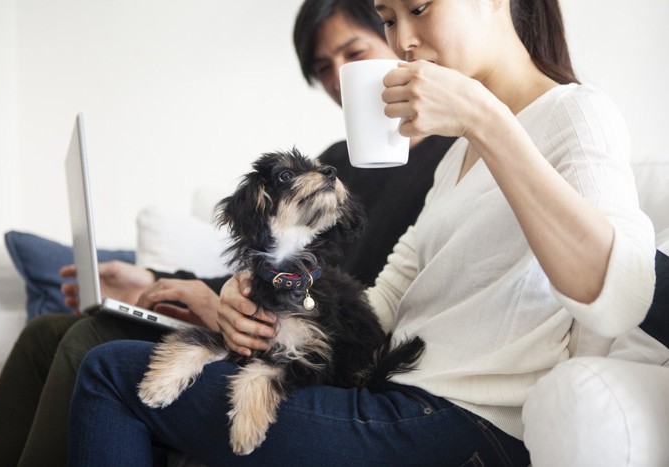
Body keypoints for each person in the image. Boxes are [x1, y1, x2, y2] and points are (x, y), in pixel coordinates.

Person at [67, 0, 657, 465]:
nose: (402, 42)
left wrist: (484, 117)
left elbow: (622, 301)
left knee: (109, 373)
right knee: (119, 355)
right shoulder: (456, 161)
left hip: (468, 427)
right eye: (388, 19)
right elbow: (381, 302)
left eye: (419, 8)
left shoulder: (575, 115)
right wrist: (260, 301)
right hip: (397, 397)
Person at [0, 1, 454, 465]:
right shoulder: (335, 159)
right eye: (323, 67)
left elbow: (351, 298)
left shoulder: (449, 159)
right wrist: (153, 279)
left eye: (353, 54)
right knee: (42, 334)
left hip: (316, 339)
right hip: (265, 313)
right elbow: (271, 257)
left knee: (88, 340)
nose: (338, 78)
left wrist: (227, 307)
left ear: (399, 41)